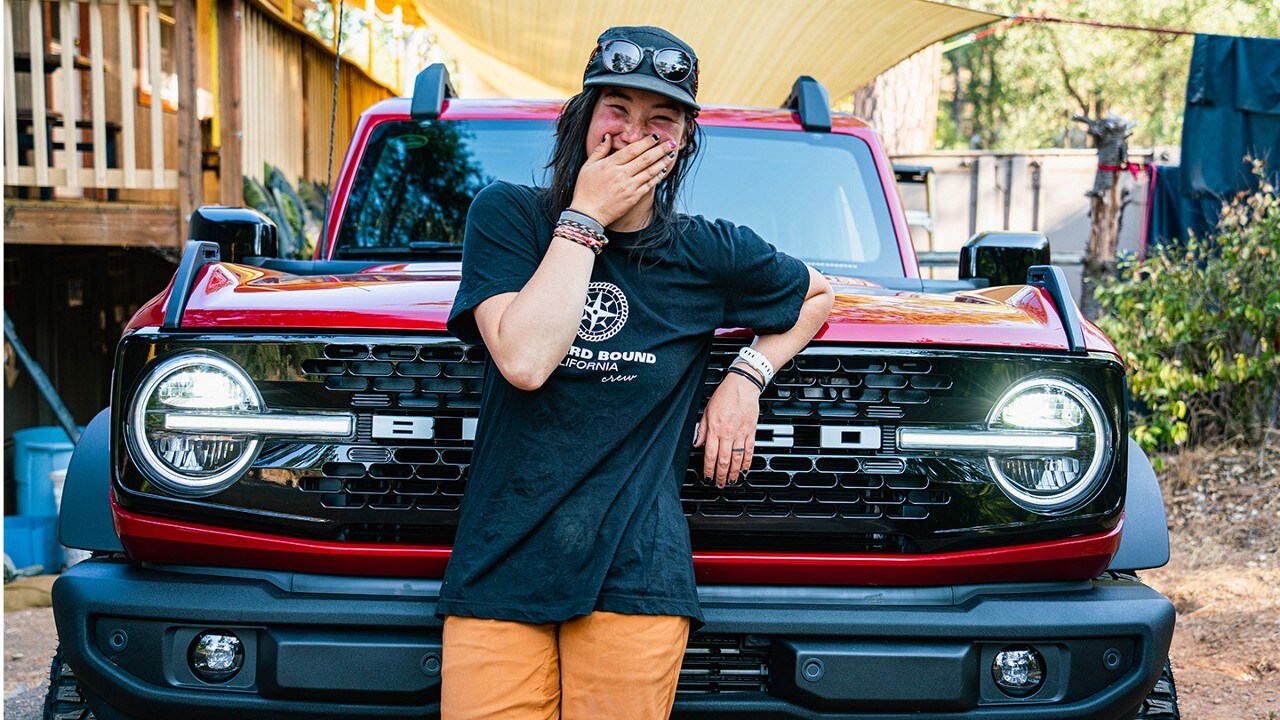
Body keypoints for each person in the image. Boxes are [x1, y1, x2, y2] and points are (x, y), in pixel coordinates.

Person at [440, 25, 835, 720]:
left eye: (662, 120)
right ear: (584, 116)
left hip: (638, 570)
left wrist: (747, 374)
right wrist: (586, 218)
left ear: (682, 140)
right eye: (617, 108)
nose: (632, 133)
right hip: (498, 562)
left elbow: (818, 294)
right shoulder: (509, 218)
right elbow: (526, 360)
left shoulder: (707, 251)